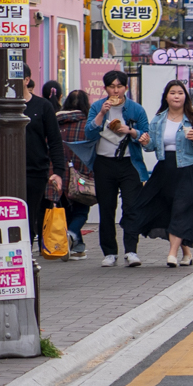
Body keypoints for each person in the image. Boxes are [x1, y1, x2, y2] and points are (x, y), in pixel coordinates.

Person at [125, 80, 193, 268]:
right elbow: (152, 147)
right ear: (166, 96)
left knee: (181, 209)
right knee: (164, 208)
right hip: (165, 168)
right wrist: (145, 141)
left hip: (188, 168)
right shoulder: (159, 119)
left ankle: (172, 254)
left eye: (180, 93)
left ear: (185, 97)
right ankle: (186, 252)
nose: (176, 96)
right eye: (173, 93)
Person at [74, 70, 152, 266]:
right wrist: (101, 113)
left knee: (131, 207)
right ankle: (109, 252)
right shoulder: (98, 106)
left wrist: (131, 131)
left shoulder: (136, 109)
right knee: (107, 208)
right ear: (105, 88)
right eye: (111, 86)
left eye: (119, 86)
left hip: (129, 163)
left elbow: (146, 135)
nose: (115, 91)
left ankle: (131, 251)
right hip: (104, 163)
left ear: (126, 87)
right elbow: (89, 133)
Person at [0, 75, 65, 255]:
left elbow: (55, 141)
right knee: (9, 216)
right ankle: (13, 257)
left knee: (30, 216)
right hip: (6, 172)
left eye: (15, 79)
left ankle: (24, 257)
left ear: (27, 80)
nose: (9, 84)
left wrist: (58, 171)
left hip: (36, 171)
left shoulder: (43, 106)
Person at [55, 89, 92, 258]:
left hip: (59, 174)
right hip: (82, 175)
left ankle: (76, 247)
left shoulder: (56, 122)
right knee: (81, 211)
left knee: (66, 210)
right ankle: (71, 234)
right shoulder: (88, 124)